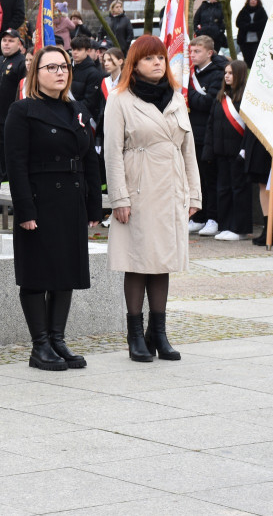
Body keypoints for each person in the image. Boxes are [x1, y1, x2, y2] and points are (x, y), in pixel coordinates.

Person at [103, 35, 201, 362]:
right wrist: (119, 197)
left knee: (163, 261)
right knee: (138, 260)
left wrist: (193, 193)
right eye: (149, 58)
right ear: (135, 63)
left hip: (171, 188)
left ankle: (158, 332)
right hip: (138, 187)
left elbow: (188, 149)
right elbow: (112, 153)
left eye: (160, 57)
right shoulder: (119, 99)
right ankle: (135, 333)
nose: (157, 63)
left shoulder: (176, 98)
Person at [5, 45, 101, 371]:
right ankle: (40, 345)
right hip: (40, 201)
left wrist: (93, 207)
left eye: (64, 67)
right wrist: (25, 210)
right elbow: (15, 164)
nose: (59, 72)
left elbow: (91, 159)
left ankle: (58, 339)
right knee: (37, 274)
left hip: (71, 200)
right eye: (51, 67)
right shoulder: (23, 110)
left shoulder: (79, 109)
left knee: (65, 273)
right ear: (37, 73)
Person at [202, 59, 252, 241]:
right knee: (223, 189)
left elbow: (250, 127)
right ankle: (225, 225)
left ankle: (239, 228)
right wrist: (209, 151)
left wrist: (245, 149)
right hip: (220, 152)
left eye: (231, 73)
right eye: (226, 73)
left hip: (238, 152)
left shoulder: (246, 97)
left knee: (239, 190)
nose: (227, 76)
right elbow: (211, 125)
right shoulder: (221, 97)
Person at [186, 35, 226, 237]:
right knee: (196, 180)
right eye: (191, 51)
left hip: (208, 134)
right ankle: (199, 216)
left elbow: (208, 102)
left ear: (209, 53)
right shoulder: (189, 73)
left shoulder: (217, 74)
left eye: (197, 51)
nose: (192, 55)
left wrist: (188, 93)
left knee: (211, 179)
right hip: (192, 132)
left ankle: (213, 217)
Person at [0, 29, 27, 173]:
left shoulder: (22, 63)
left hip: (13, 118)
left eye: (11, 41)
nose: (6, 44)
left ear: (19, 44)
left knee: (11, 153)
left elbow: (22, 92)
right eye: (4, 40)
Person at [69, 37, 108, 107]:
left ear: (88, 51)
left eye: (79, 50)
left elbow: (90, 102)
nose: (75, 52)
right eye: (73, 49)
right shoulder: (67, 68)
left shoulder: (93, 73)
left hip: (81, 113)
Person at [235, 0, 267, 66]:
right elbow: (238, 23)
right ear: (248, 1)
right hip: (245, 41)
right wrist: (252, 26)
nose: (253, 1)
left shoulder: (261, 11)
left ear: (258, 1)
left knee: (256, 60)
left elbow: (263, 24)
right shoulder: (243, 11)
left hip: (258, 41)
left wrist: (248, 26)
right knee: (247, 61)